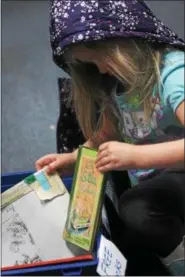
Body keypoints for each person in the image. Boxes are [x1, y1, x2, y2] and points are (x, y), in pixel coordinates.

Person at [36, 0, 185, 275]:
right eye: (88, 64)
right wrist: (70, 159)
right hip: (155, 188)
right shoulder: (117, 85)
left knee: (137, 207)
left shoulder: (172, 72)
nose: (101, 71)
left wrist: (136, 157)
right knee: (132, 212)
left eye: (99, 58)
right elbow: (103, 138)